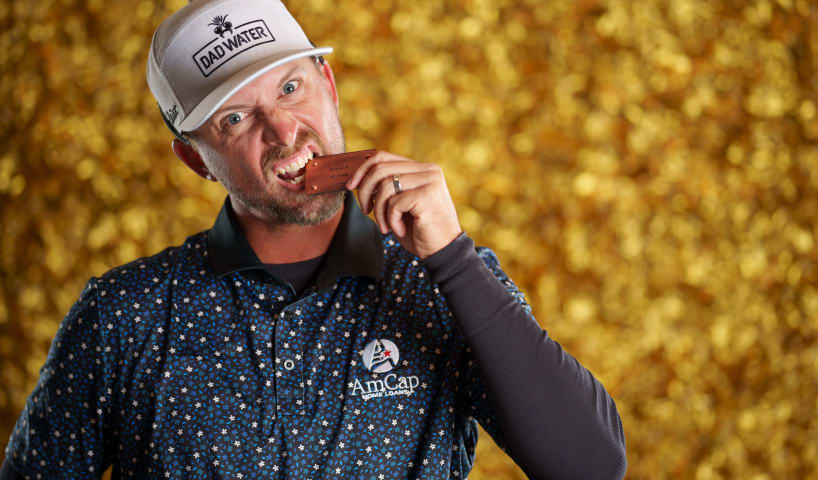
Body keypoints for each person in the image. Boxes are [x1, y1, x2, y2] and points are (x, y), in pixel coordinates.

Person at [1, 0, 627, 478]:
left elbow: (592, 467)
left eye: (291, 87)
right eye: (237, 118)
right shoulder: (123, 316)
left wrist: (455, 261)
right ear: (197, 161)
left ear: (328, 86)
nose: (284, 131)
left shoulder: (444, 279)